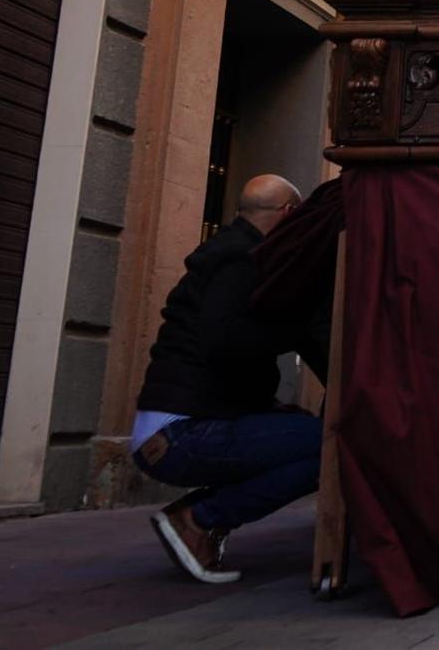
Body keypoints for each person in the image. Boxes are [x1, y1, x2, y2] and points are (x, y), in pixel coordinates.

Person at [133, 174, 324, 584]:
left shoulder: (228, 254)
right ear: (289, 215)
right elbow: (227, 342)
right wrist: (291, 331)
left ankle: (197, 519)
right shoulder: (242, 260)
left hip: (172, 429)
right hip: (181, 434)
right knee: (332, 445)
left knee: (306, 433)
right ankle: (200, 521)